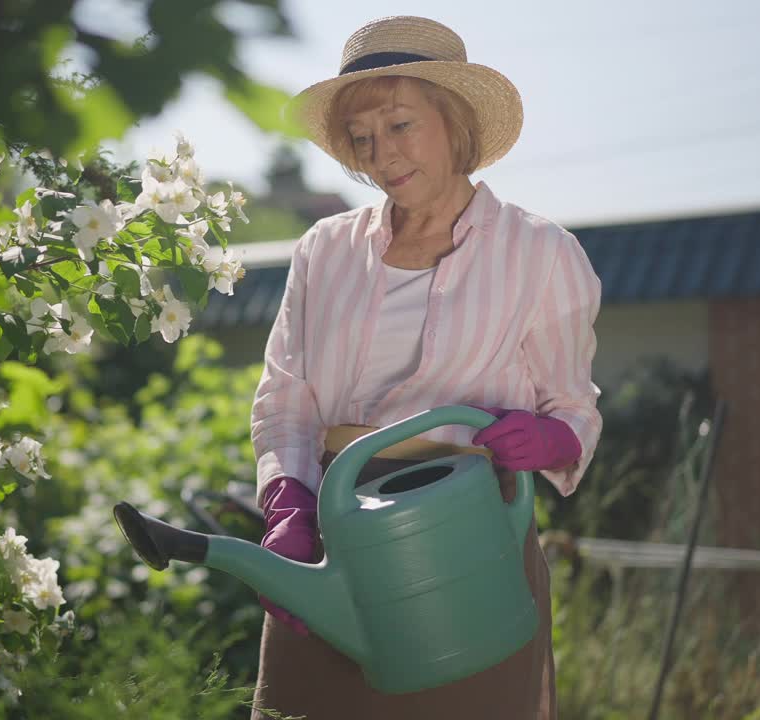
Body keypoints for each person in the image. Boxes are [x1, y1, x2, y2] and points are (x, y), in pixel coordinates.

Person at [248, 15, 603, 720]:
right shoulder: (325, 249)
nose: (383, 154)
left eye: (401, 125)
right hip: (334, 533)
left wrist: (551, 439)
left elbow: (574, 407)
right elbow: (285, 397)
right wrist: (287, 504)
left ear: (455, 120)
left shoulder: (542, 253)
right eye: (363, 138)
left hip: (467, 541)